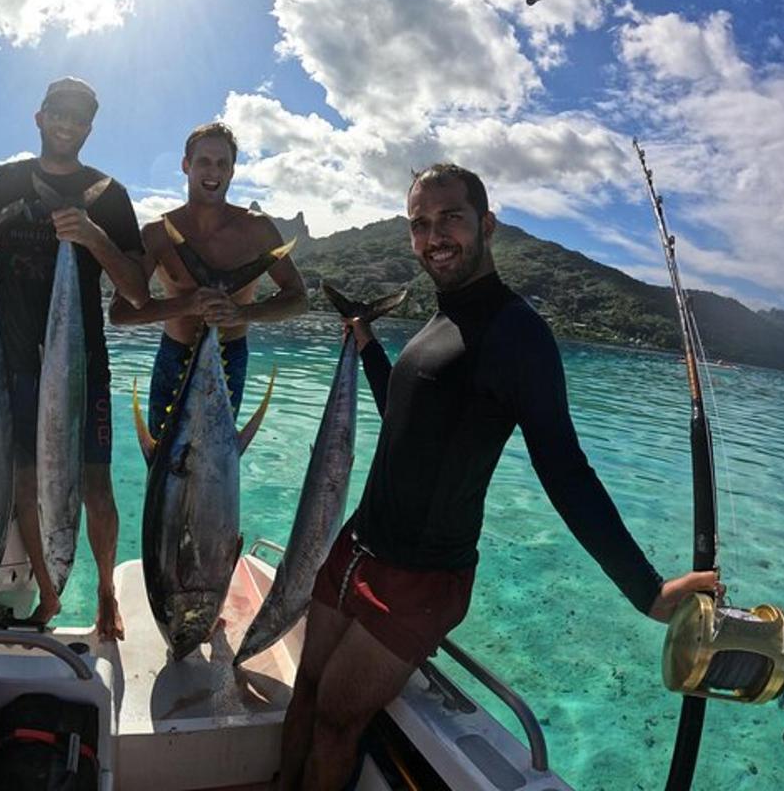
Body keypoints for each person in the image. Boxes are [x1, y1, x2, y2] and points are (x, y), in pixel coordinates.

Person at [278, 164, 720, 790]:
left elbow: (565, 471)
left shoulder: (519, 334)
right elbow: (408, 413)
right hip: (356, 548)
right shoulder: (437, 323)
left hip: (422, 578)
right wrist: (369, 343)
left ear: (486, 224)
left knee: (334, 723)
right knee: (305, 696)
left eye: (450, 218)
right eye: (420, 225)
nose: (435, 236)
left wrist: (645, 589)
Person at [0, 77, 147, 640]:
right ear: (39, 117)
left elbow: (136, 290)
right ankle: (49, 588)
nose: (68, 124)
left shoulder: (108, 194)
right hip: (9, 359)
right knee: (23, 481)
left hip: (80, 362)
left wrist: (90, 235)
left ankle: (107, 593)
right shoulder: (5, 181)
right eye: (59, 114)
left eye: (80, 117)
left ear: (89, 127)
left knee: (94, 485)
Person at [108, 122, 307, 436]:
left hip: (229, 356)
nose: (212, 171)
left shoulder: (257, 229)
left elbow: (298, 298)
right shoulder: (157, 233)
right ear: (186, 165)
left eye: (221, 163)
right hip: (173, 354)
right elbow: (119, 313)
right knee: (162, 464)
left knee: (215, 468)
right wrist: (187, 305)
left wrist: (242, 313)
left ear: (232, 171)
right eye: (203, 161)